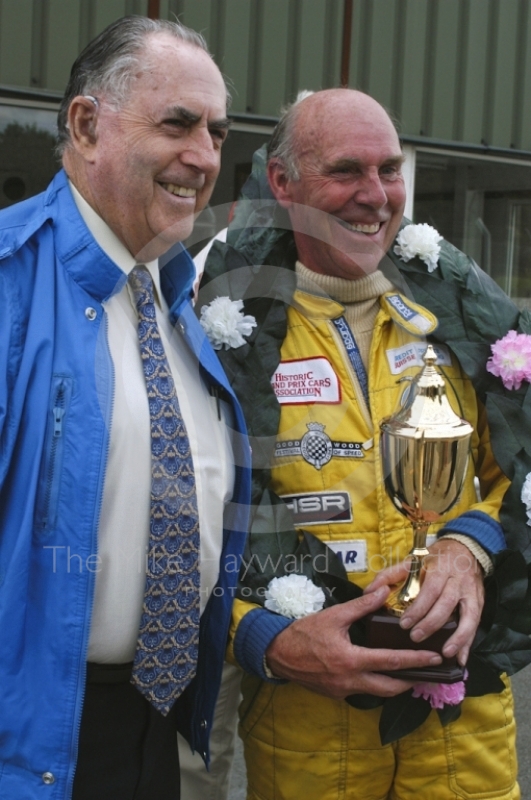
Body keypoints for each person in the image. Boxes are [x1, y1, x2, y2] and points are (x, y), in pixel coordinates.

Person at [199, 89, 523, 799]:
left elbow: (521, 466)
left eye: (388, 169)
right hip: (307, 718)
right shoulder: (221, 321)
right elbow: (178, 525)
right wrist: (263, 638)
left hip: (463, 709)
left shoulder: (459, 311)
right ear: (282, 185)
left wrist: (469, 545)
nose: (374, 196)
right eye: (346, 171)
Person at [0, 16, 254, 800]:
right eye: (176, 124)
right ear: (85, 125)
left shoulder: (169, 296)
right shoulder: (10, 283)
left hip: (154, 730)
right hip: (31, 736)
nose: (204, 156)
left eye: (215, 131)